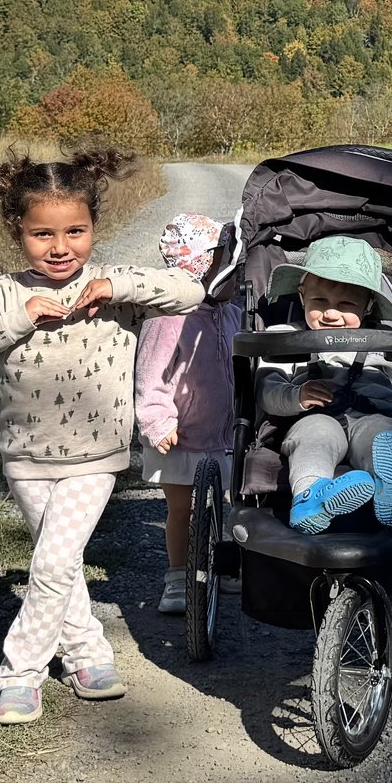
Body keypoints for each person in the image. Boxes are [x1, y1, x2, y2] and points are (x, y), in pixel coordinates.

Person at [0, 149, 203, 725]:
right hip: (27, 456)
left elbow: (191, 293)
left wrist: (113, 283)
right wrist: (19, 318)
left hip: (97, 455)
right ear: (18, 232)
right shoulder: (5, 294)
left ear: (94, 229)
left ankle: (20, 673)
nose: (60, 247)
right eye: (43, 234)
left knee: (52, 564)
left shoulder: (115, 290)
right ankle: (87, 652)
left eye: (76, 231)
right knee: (62, 561)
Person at [253, 235, 392, 534]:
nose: (331, 314)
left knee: (386, 435)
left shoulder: (385, 343)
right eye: (320, 302)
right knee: (315, 438)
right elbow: (267, 390)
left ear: (368, 305)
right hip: (313, 418)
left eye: (346, 304)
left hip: (372, 416)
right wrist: (296, 395)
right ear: (302, 295)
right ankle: (312, 495)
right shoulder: (285, 338)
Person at [132, 212, 238, 613]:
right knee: (181, 508)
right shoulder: (170, 315)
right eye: (225, 262)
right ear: (200, 267)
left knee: (225, 504)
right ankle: (178, 578)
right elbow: (150, 372)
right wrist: (157, 418)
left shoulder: (231, 312)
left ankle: (224, 566)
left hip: (224, 434)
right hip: (180, 434)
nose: (234, 270)